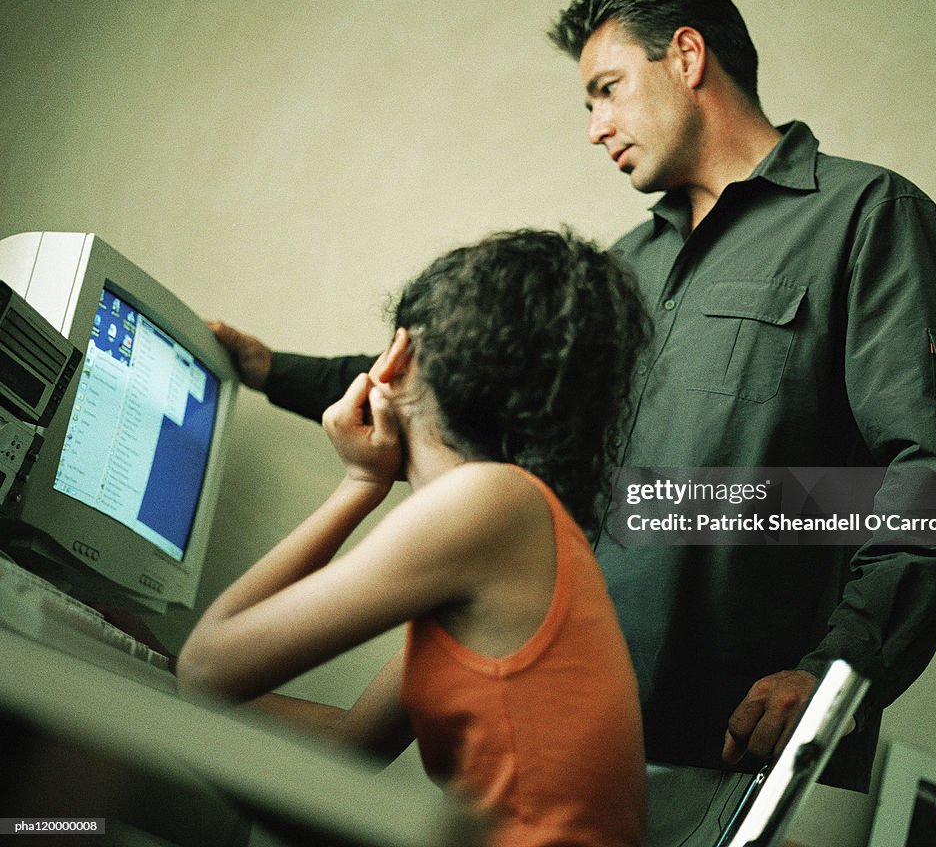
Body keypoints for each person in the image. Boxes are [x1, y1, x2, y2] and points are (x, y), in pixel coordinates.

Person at [211, 0, 936, 847]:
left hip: (746, 768)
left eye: (606, 91)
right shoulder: (622, 267)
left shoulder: (867, 217)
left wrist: (836, 672)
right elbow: (461, 376)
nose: (596, 129)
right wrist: (270, 368)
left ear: (688, 57)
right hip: (580, 746)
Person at [180, 229, 650, 847]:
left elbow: (206, 670)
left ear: (397, 356)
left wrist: (358, 482)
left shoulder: (488, 503)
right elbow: (351, 743)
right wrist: (150, 676)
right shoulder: (516, 521)